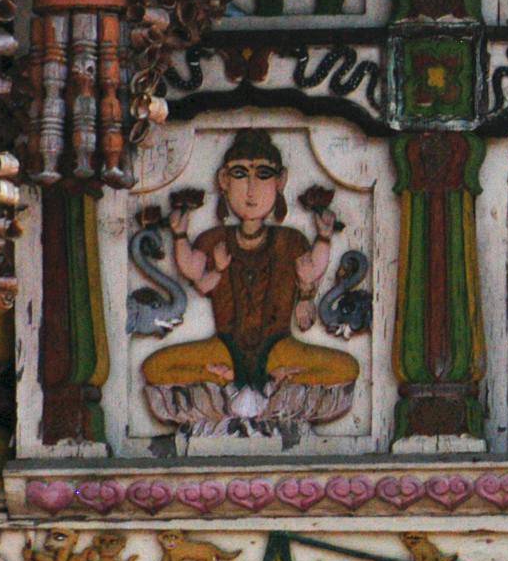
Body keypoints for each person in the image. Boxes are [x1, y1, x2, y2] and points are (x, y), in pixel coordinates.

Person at [142, 130, 358, 436]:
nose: (251, 189)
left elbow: (310, 272)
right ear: (223, 180)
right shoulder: (215, 238)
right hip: (224, 348)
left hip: (278, 349)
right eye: (240, 175)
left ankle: (253, 387)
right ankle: (232, 383)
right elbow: (195, 274)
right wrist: (179, 234)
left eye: (263, 175)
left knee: (346, 368)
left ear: (280, 181)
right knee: (155, 368)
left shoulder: (289, 240)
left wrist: (323, 236)